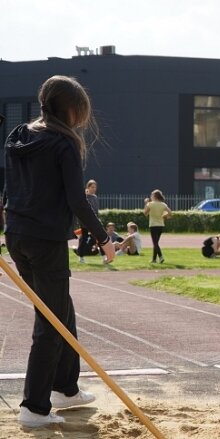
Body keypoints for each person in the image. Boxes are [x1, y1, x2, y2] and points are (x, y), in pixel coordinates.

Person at [3, 75, 115, 428]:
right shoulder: (63, 143)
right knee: (50, 323)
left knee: (60, 311)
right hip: (45, 240)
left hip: (18, 235)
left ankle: (65, 388)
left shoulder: (19, 135)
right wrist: (104, 239)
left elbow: (11, 188)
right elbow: (76, 199)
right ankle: (34, 407)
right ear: (70, 108)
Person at [143, 189, 172, 264]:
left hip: (153, 225)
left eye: (151, 195)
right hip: (161, 225)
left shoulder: (150, 204)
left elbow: (145, 213)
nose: (150, 196)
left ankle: (161, 256)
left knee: (155, 243)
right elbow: (170, 213)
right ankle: (154, 259)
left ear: (154, 196)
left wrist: (146, 203)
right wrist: (164, 215)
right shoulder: (163, 204)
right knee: (156, 243)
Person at [75, 179, 99, 263]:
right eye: (92, 187)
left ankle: (104, 256)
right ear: (88, 187)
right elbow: (81, 210)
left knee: (99, 237)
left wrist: (97, 219)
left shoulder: (95, 197)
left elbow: (96, 210)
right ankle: (81, 256)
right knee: (84, 238)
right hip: (85, 222)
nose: (94, 189)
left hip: (94, 222)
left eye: (95, 187)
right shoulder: (84, 196)